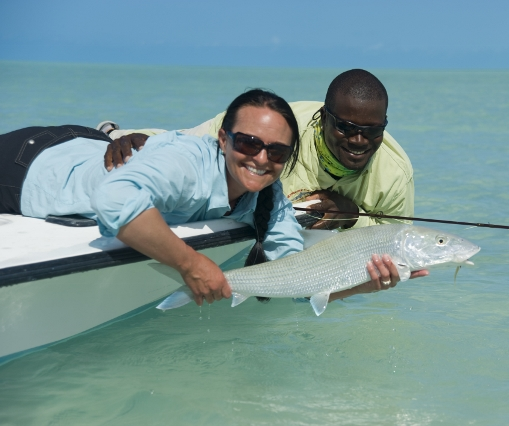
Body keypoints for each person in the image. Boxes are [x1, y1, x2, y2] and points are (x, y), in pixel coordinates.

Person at [1, 89, 415, 305]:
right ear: (222, 138)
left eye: (277, 151)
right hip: (31, 167)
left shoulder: (269, 201)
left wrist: (361, 287)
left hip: (74, 152)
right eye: (249, 142)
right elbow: (113, 202)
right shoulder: (188, 163)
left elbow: (293, 279)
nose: (260, 158)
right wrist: (191, 262)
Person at [104, 69, 415, 232]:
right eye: (346, 127)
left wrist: (352, 217)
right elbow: (200, 141)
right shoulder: (282, 128)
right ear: (323, 117)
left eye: (372, 131)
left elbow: (396, 241)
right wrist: (137, 139)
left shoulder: (395, 173)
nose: (359, 141)